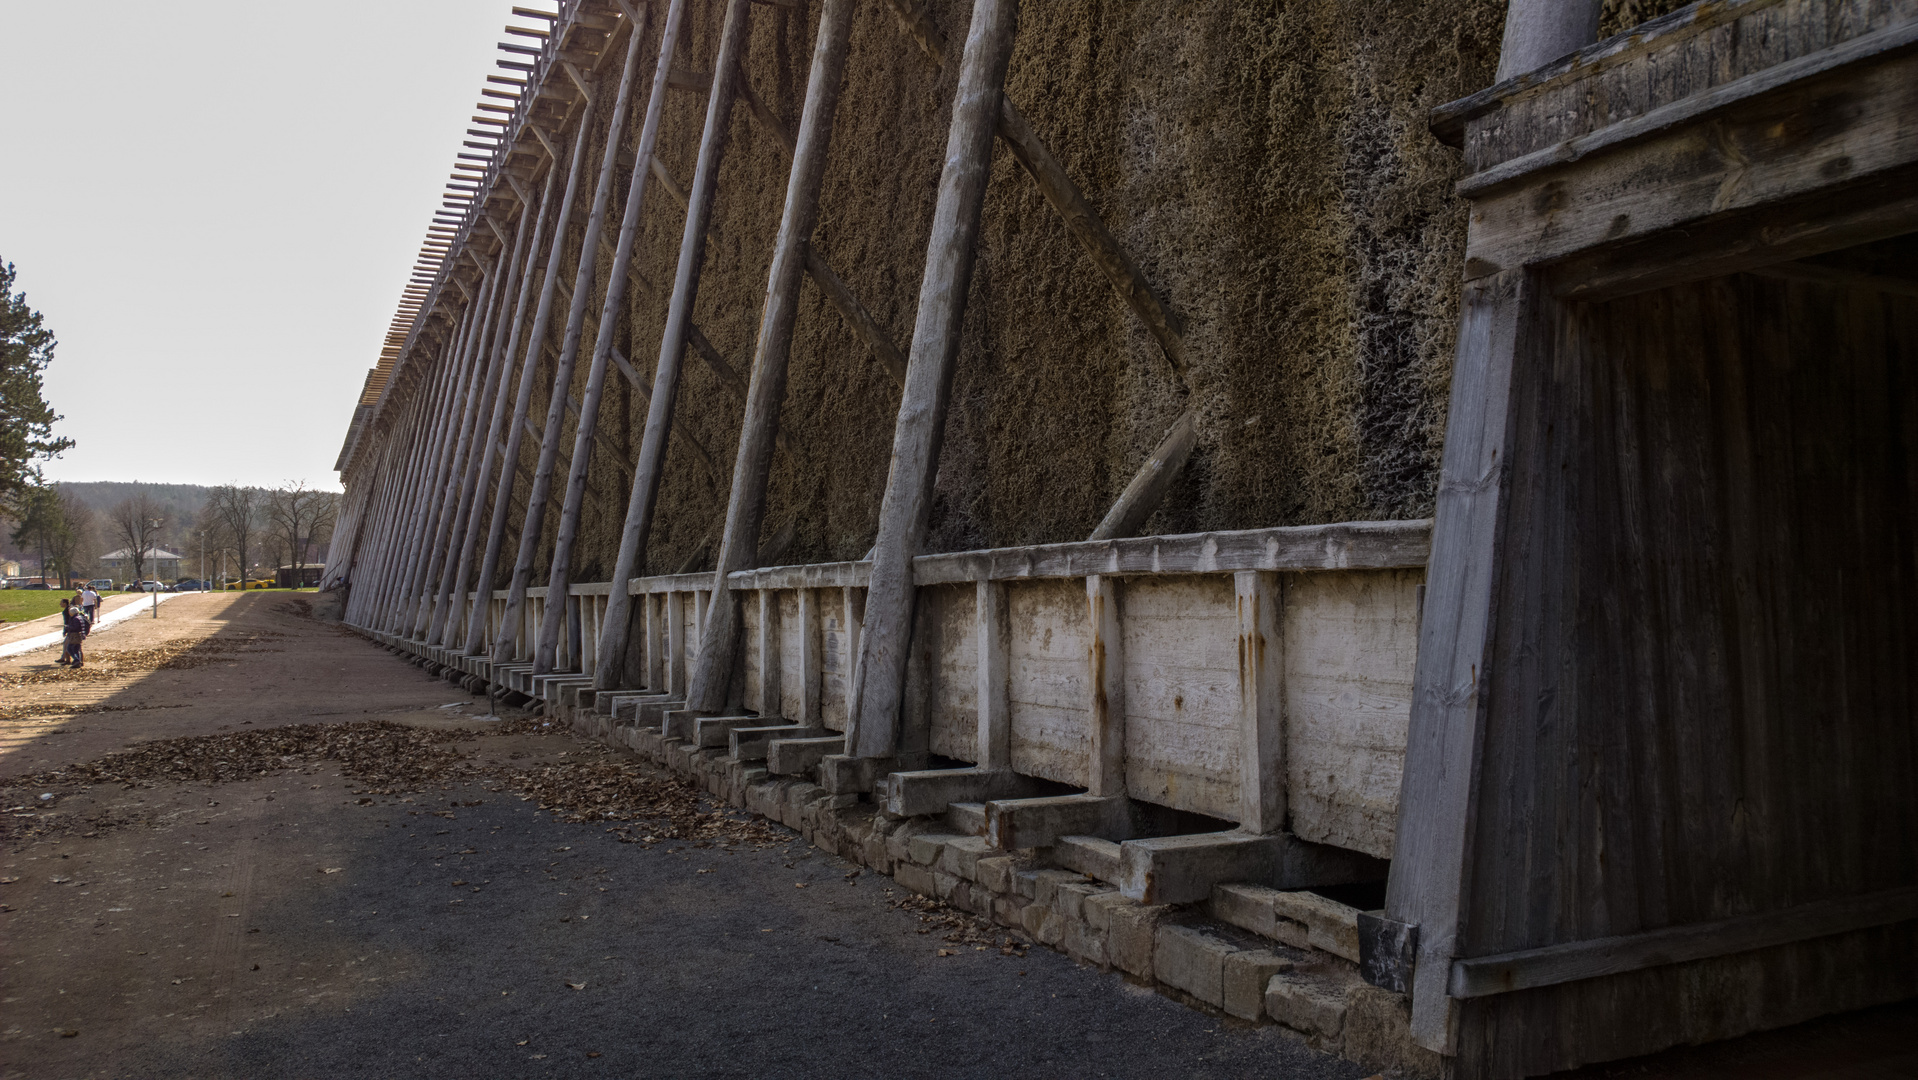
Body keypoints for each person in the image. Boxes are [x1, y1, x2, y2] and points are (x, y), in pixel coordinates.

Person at [56, 599, 88, 668]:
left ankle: (76, 660)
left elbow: (75, 627)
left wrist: (67, 627)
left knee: (70, 648)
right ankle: (78, 661)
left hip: (74, 635)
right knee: (76, 649)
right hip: (78, 635)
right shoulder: (79, 617)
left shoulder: (75, 618)